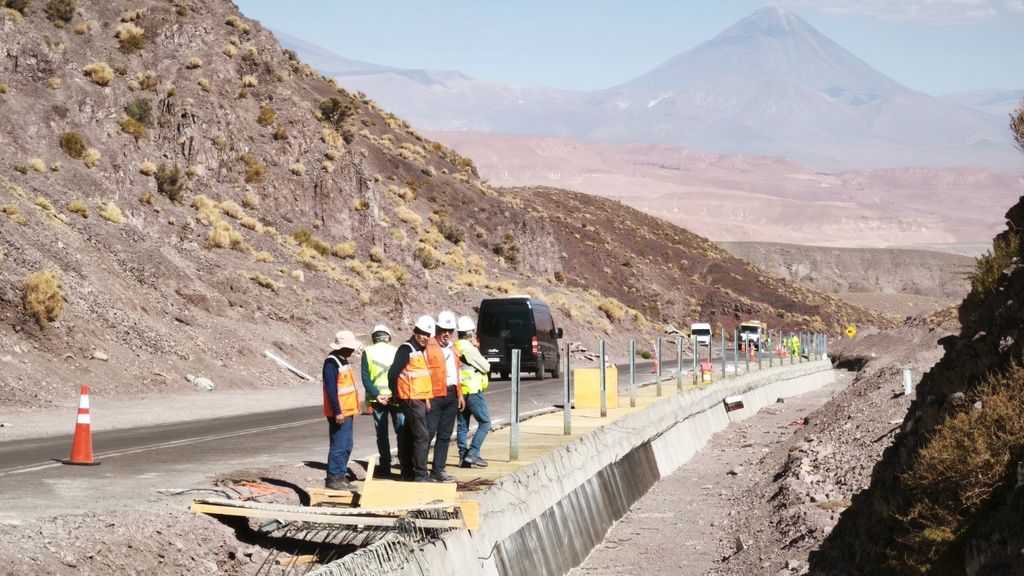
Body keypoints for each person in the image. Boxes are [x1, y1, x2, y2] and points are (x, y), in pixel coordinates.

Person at [388, 316, 435, 482]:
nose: (425, 337)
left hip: (418, 399)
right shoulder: (406, 349)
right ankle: (421, 475)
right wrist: (396, 396)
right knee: (422, 436)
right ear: (415, 332)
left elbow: (421, 378)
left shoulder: (419, 351)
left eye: (428, 334)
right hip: (410, 400)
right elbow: (393, 374)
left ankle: (407, 472)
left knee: (409, 436)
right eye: (422, 333)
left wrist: (426, 398)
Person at [425, 310, 465, 482]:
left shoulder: (453, 349)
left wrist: (460, 395)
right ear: (437, 328)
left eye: (450, 330)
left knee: (445, 434)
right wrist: (425, 396)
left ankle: (438, 470)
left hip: (451, 395)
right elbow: (423, 373)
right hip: (434, 396)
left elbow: (457, 373)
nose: (447, 333)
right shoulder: (428, 347)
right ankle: (418, 470)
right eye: (443, 329)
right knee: (427, 433)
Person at [322, 330, 362, 491]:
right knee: (338, 446)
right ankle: (333, 477)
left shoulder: (343, 360)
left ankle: (341, 475)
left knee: (347, 445)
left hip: (348, 411)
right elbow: (331, 390)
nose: (353, 350)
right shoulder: (332, 363)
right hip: (340, 413)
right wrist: (337, 411)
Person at [361, 324, 401, 477]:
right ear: (388, 337)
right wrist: (394, 393)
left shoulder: (368, 351)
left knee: (382, 433)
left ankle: (385, 465)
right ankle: (404, 462)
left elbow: (365, 377)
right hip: (395, 397)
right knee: (401, 431)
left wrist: (376, 394)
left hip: (377, 399)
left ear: (374, 337)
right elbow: (401, 374)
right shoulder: (396, 351)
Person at [454, 315, 491, 468]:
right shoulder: (468, 348)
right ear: (470, 334)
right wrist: (476, 347)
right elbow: (486, 366)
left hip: (459, 392)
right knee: (485, 423)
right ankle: (473, 454)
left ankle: (463, 456)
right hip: (473, 391)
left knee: (463, 425)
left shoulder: (454, 346)